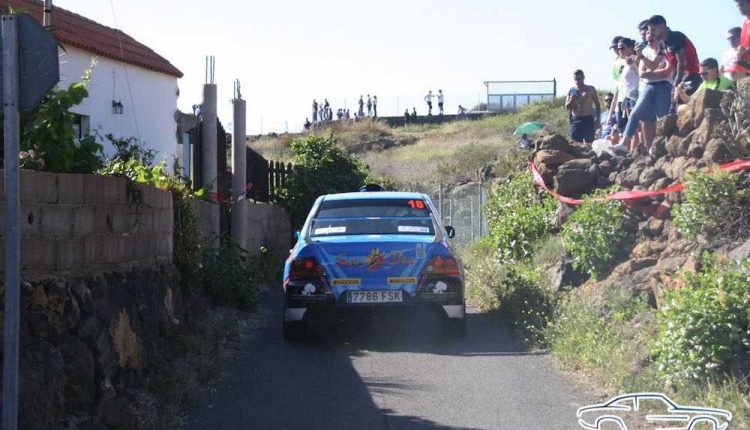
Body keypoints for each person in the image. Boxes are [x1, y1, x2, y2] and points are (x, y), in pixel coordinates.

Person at [621, 30, 674, 154]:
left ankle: (663, 149)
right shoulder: (645, 51)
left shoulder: (665, 50)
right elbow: (641, 73)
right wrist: (656, 71)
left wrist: (650, 72)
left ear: (659, 38)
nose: (649, 42)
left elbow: (666, 71)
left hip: (664, 86)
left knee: (662, 119)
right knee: (635, 114)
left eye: (651, 40)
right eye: (647, 40)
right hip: (648, 86)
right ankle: (624, 144)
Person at [646, 15, 702, 105]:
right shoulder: (662, 43)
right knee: (674, 105)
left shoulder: (675, 37)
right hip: (679, 78)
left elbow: (682, 62)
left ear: (662, 27)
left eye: (653, 30)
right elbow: (654, 64)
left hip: (691, 75)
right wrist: (641, 57)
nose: (651, 34)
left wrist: (676, 83)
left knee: (682, 103)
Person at [565, 70, 601, 144]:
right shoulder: (572, 90)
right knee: (575, 143)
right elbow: (567, 107)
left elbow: (597, 105)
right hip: (576, 119)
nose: (577, 81)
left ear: (583, 78)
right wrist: (572, 99)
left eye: (579, 79)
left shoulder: (590, 89)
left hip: (587, 119)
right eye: (576, 79)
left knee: (589, 142)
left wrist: (597, 119)